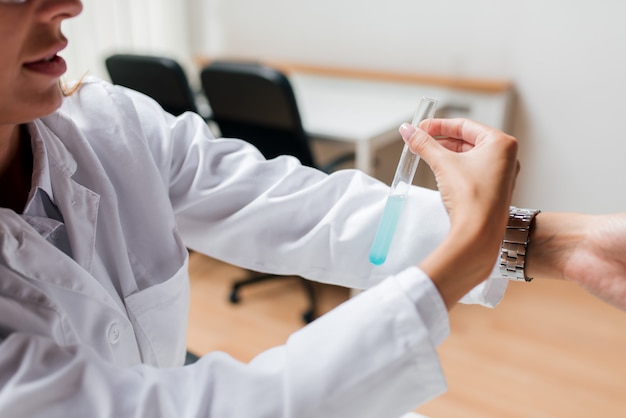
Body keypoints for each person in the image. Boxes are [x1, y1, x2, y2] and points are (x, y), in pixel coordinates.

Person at [0, 1, 624, 417]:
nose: (69, 5)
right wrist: (459, 259)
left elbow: (298, 205)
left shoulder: (108, 124)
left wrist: (564, 243)